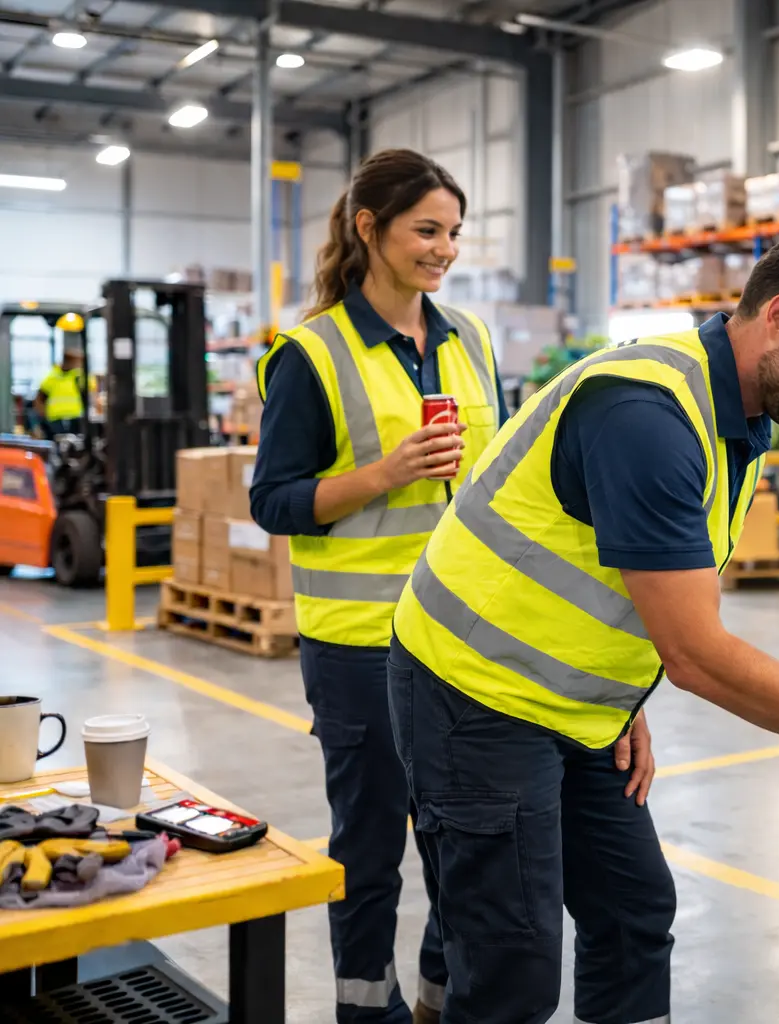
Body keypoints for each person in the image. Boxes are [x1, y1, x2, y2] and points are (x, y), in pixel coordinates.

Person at [387, 230, 779, 1024]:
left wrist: (623, 695)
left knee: (632, 912)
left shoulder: (740, 415)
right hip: (472, 693)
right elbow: (699, 655)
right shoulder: (647, 415)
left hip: (574, 706)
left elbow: (634, 586)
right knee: (512, 960)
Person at [249, 148, 509, 1024]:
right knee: (369, 852)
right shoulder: (310, 354)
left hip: (465, 642)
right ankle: (367, 1008)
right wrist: (383, 472)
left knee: (463, 841)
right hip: (359, 651)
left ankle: (442, 996)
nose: (444, 249)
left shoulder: (470, 338)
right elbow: (274, 502)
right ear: (370, 228)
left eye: (453, 234)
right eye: (426, 231)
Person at [34, 349, 84, 439]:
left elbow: (91, 397)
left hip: (76, 419)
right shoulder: (52, 377)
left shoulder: (79, 377)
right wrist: (44, 417)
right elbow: (39, 399)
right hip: (55, 421)